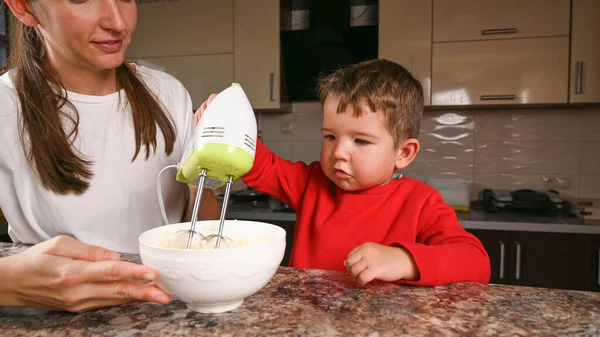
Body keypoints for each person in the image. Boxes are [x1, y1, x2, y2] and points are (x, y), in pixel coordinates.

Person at [0, 0, 221, 312]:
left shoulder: (168, 94)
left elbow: (197, 235)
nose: (118, 22)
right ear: (23, 7)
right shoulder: (5, 104)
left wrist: (205, 176)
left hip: (159, 315)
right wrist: (8, 283)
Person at [218, 59, 490, 286]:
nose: (339, 152)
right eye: (330, 137)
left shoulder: (420, 202)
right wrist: (227, 126)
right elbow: (263, 166)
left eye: (360, 141)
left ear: (403, 153)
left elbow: (476, 262)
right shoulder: (312, 183)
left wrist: (404, 260)